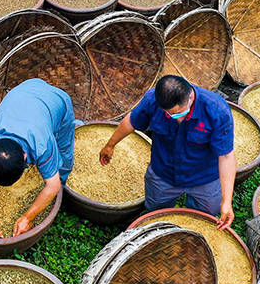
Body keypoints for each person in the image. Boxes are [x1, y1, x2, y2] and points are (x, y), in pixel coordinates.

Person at [99, 75, 236, 228]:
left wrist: (226, 201)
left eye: (178, 113)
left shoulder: (217, 110)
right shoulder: (152, 100)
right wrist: (110, 145)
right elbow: (132, 121)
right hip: (163, 172)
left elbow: (226, 156)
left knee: (204, 217)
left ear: (190, 97)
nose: (173, 117)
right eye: (168, 113)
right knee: (156, 212)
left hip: (204, 177)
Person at [0, 78, 77, 238]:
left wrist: (28, 218)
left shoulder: (42, 144)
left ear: (26, 157)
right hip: (28, 86)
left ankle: (63, 190)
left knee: (64, 151)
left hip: (58, 101)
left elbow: (52, 186)